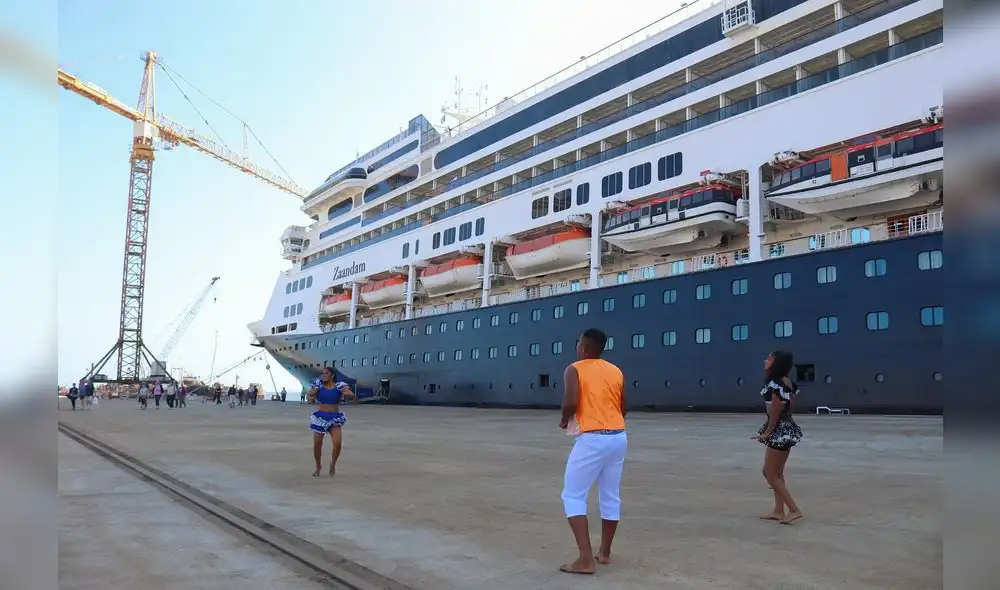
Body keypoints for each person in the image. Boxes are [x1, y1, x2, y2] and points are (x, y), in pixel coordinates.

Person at [557, 328, 628, 575]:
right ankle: (604, 553)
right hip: (619, 435)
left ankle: (585, 560)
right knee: (610, 495)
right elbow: (623, 407)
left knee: (573, 495)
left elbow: (569, 402)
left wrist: (565, 419)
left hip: (593, 438)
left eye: (578, 344)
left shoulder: (574, 369)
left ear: (584, 348)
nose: (577, 348)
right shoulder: (616, 370)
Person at [754, 350, 804, 525]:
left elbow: (774, 410)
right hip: (786, 427)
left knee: (769, 472)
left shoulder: (773, 384)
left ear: (776, 363)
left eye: (769, 358)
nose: (765, 360)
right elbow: (790, 408)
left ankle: (794, 509)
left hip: (778, 429)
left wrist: (768, 431)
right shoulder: (787, 382)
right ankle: (778, 511)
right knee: (777, 472)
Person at [307, 368, 355, 477]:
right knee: (317, 445)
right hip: (321, 417)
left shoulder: (339, 385)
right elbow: (310, 394)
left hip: (334, 418)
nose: (323, 375)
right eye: (322, 373)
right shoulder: (318, 385)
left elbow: (351, 395)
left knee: (337, 443)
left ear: (332, 375)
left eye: (326, 373)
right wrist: (316, 388)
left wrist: (346, 392)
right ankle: (318, 466)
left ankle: (332, 464)